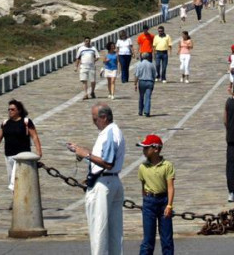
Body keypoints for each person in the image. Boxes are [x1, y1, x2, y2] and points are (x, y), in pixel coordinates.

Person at [68, 104, 125, 255]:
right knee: (114, 231)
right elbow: (102, 160)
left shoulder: (110, 133)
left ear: (104, 117)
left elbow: (107, 162)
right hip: (109, 180)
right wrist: (83, 152)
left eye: (95, 119)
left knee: (98, 229)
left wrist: (86, 154)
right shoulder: (110, 132)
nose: (94, 122)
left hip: (104, 184)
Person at [0, 99, 42, 195]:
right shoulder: (5, 123)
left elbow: (34, 136)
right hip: (9, 155)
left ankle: (21, 199)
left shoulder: (26, 122)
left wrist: (38, 151)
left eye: (12, 109)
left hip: (22, 157)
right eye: (9, 109)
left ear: (19, 110)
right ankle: (16, 199)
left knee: (17, 179)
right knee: (11, 178)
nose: (10, 111)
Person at [136, 134, 176, 255]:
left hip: (163, 201)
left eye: (146, 148)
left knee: (167, 239)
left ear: (156, 149)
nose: (143, 150)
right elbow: (143, 187)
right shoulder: (142, 167)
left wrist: (169, 205)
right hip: (149, 202)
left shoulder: (167, 166)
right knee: (148, 240)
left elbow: (170, 187)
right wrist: (146, 199)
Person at [134, 53, 158, 117]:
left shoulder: (139, 65)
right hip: (150, 82)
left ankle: (140, 111)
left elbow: (136, 75)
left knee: (141, 97)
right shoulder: (151, 65)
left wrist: (135, 83)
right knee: (148, 97)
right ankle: (147, 111)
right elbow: (155, 75)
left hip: (141, 81)